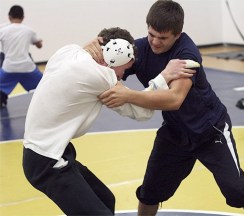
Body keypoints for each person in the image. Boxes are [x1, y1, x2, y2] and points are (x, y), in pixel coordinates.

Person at [92, 1, 244, 215]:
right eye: (151, 34)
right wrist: (91, 49)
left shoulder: (187, 54)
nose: (155, 42)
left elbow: (174, 99)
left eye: (163, 38)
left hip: (209, 132)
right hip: (175, 133)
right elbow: (103, 63)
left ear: (177, 35)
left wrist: (128, 95)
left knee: (237, 189)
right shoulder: (139, 49)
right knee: (150, 191)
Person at [22, 27, 194, 215]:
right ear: (114, 54)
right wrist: (165, 75)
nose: (122, 75)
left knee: (105, 198)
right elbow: (142, 112)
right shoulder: (101, 77)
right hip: (47, 161)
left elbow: (83, 53)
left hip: (53, 152)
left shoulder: (68, 51)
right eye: (125, 67)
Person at [0, 5, 43, 108]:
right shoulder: (29, 31)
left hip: (9, 68)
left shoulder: (3, 30)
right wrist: (38, 42)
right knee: (45, 82)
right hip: (27, 68)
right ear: (23, 17)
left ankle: (1, 102)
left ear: (9, 17)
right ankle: (44, 103)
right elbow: (39, 46)